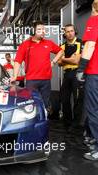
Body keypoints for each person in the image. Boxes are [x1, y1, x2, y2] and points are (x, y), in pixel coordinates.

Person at [11, 21, 64, 110]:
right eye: (39, 29)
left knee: (45, 105)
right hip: (31, 80)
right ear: (33, 31)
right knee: (31, 104)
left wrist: (53, 62)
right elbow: (17, 61)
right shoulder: (25, 45)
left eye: (44, 29)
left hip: (46, 80)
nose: (43, 31)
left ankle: (44, 122)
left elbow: (61, 51)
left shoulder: (49, 43)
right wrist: (15, 76)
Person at [76, 0, 98, 161]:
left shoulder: (94, 20)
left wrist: (81, 69)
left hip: (95, 73)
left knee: (94, 111)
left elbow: (90, 46)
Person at [58, 24, 84, 132]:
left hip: (77, 74)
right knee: (64, 99)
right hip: (67, 74)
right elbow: (59, 63)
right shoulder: (62, 46)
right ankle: (67, 122)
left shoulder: (80, 43)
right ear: (65, 33)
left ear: (75, 31)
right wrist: (68, 59)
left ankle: (75, 124)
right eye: (67, 31)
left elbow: (76, 61)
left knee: (77, 99)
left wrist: (64, 59)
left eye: (72, 31)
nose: (70, 33)